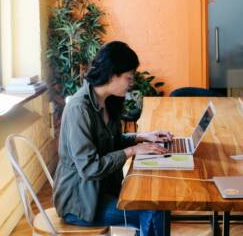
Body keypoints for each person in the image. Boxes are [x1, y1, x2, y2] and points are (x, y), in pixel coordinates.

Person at [53, 41, 172, 236]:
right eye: (129, 77)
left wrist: (143, 137)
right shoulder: (78, 110)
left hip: (103, 191)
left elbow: (112, 140)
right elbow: (90, 168)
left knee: (158, 202)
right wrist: (132, 151)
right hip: (81, 204)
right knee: (153, 209)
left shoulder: (109, 101)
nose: (132, 83)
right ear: (112, 75)